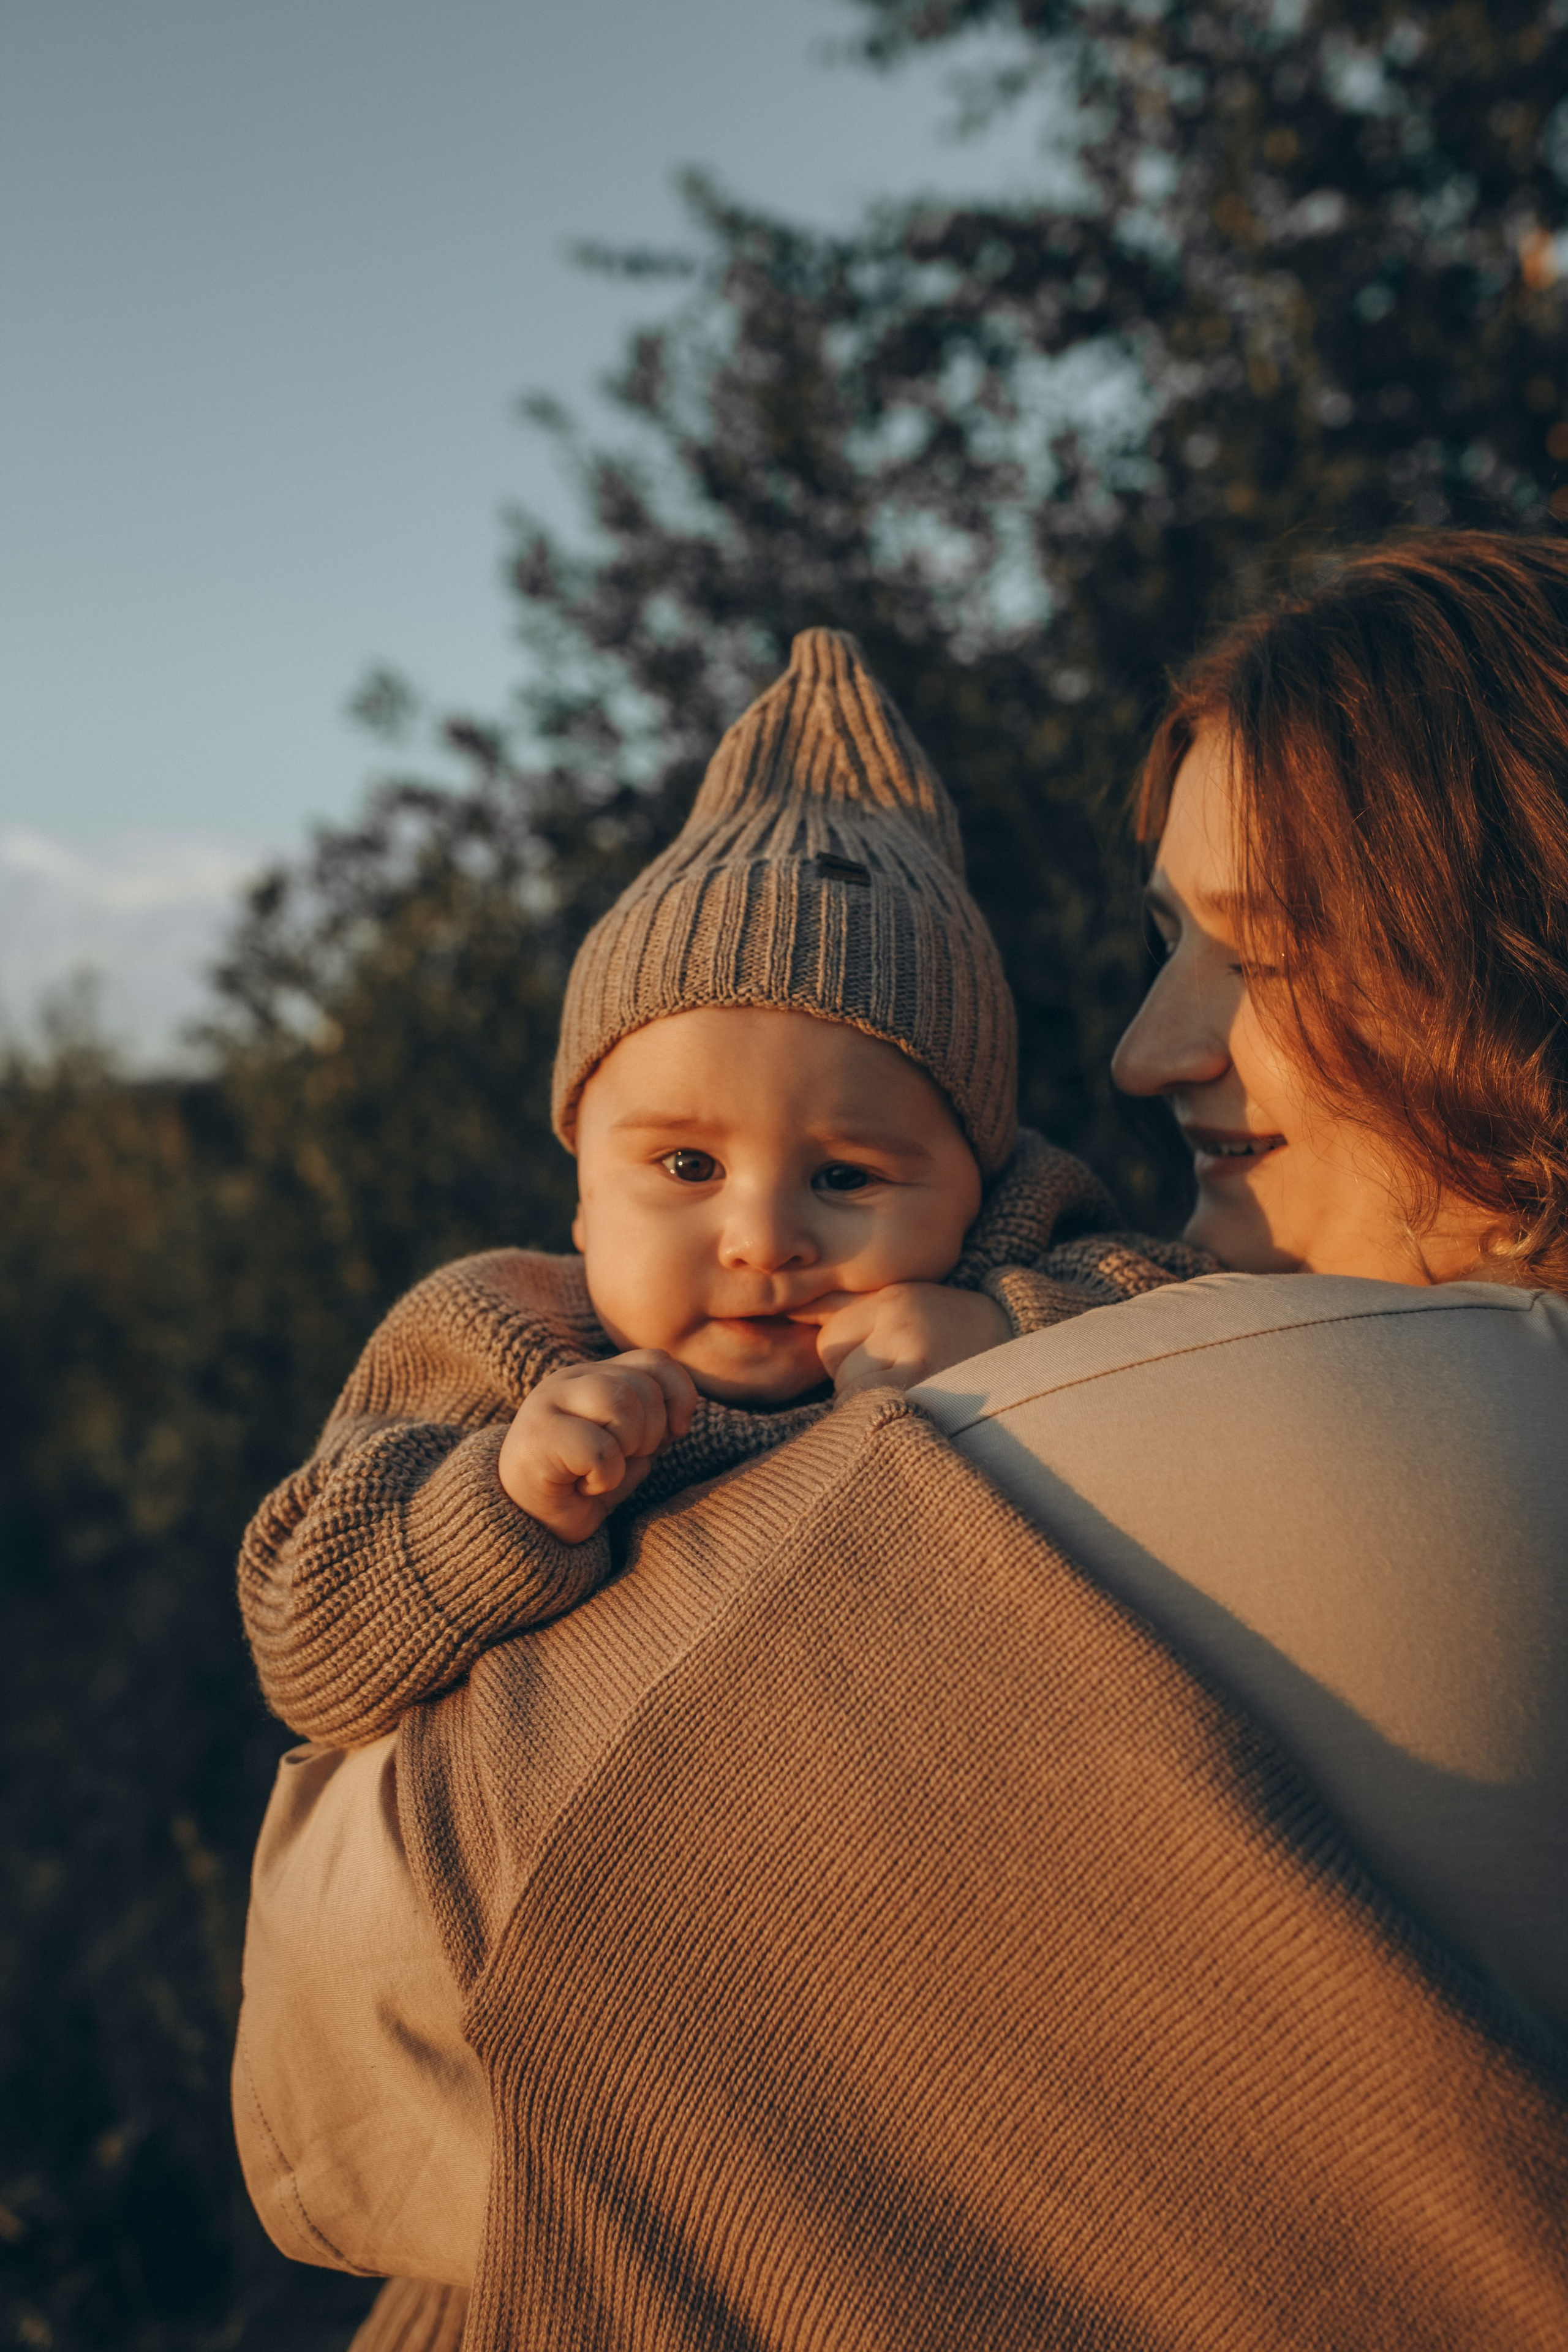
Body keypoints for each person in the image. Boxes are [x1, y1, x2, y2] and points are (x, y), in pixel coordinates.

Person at [234, 537, 1568, 2351]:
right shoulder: (513, 1343)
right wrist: (493, 1502)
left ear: (1520, 969)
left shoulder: (1185, 1422)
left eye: (1260, 951)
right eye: (1168, 938)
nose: (1143, 1043)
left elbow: (341, 2031)